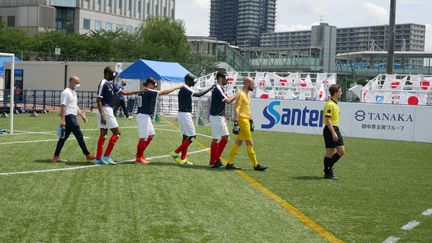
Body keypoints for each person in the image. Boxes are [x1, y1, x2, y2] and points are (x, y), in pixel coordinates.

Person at [95, 66, 143, 165]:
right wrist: (103, 114)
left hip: (108, 110)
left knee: (103, 135)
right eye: (113, 74)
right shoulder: (103, 83)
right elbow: (98, 100)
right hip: (105, 110)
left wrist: (139, 91)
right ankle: (105, 156)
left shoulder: (112, 84)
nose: (114, 75)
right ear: (107, 73)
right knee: (117, 133)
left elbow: (124, 92)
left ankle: (99, 158)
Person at [135, 77, 183, 164]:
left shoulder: (145, 90)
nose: (155, 87)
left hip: (145, 116)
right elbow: (164, 92)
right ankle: (138, 157)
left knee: (151, 134)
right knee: (143, 138)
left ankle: (140, 155)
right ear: (149, 84)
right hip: (143, 116)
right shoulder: (148, 90)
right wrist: (177, 87)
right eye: (154, 85)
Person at [170, 73, 215, 165]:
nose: (194, 82)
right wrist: (210, 88)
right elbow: (198, 95)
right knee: (192, 137)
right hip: (185, 114)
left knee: (185, 136)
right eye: (192, 80)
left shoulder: (185, 88)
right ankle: (175, 153)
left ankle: (182, 159)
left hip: (182, 114)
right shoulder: (185, 88)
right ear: (187, 80)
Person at [226, 77, 268, 171]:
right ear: (247, 84)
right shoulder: (241, 94)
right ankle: (256, 165)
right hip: (242, 121)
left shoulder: (247, 94)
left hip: (246, 120)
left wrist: (251, 121)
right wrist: (236, 123)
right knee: (250, 142)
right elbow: (237, 109)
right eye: (252, 84)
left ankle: (230, 163)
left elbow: (247, 110)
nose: (253, 86)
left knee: (238, 142)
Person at [52, 76, 95, 162]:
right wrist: (63, 120)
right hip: (69, 117)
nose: (78, 85)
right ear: (71, 81)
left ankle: (56, 157)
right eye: (76, 83)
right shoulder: (66, 92)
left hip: (72, 116)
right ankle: (87, 155)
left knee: (63, 138)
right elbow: (63, 107)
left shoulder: (73, 92)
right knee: (79, 136)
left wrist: (82, 116)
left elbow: (75, 106)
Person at [208, 70, 237, 169]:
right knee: (216, 139)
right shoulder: (217, 88)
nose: (227, 80)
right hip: (216, 117)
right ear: (220, 78)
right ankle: (213, 161)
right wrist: (237, 94)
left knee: (226, 137)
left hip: (219, 116)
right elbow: (228, 101)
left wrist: (223, 116)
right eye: (226, 78)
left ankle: (216, 158)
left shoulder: (219, 88)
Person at [322, 84, 345, 180]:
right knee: (330, 152)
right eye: (340, 91)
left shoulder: (335, 103)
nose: (341, 93)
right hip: (330, 129)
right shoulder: (329, 104)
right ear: (335, 93)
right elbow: (328, 120)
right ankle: (328, 172)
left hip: (335, 128)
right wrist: (333, 132)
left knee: (341, 151)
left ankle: (327, 169)